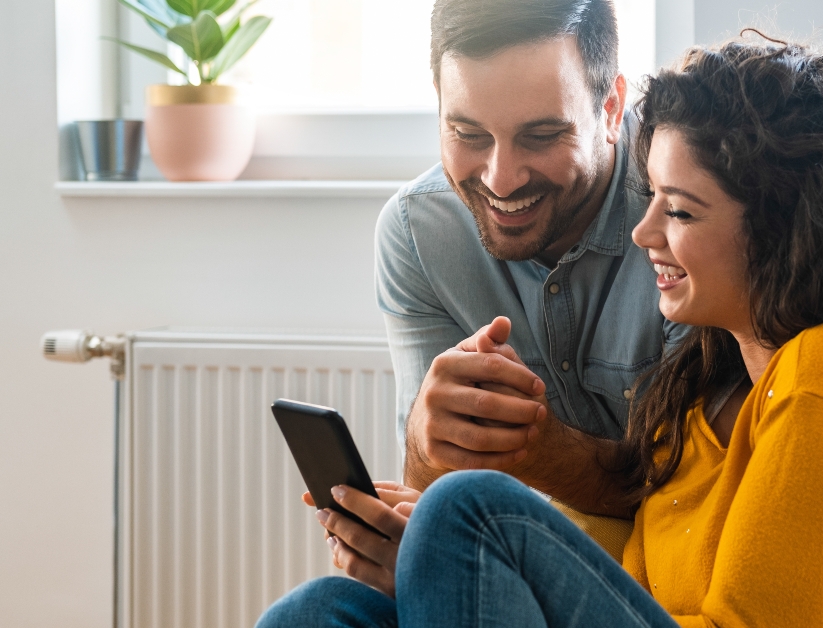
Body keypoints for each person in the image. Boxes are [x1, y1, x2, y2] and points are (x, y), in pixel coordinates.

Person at [260, 33, 823, 628]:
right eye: (650, 200)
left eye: (680, 211)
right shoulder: (705, 398)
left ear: (779, 232)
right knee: (320, 613)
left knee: (472, 508)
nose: (645, 233)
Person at [267, 0, 684, 602]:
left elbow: (698, 494)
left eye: (541, 135)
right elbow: (433, 485)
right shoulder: (417, 232)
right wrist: (423, 451)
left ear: (612, 107)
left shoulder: (679, 210)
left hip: (654, 580)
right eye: (467, 134)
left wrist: (535, 452)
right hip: (510, 568)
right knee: (314, 608)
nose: (500, 178)